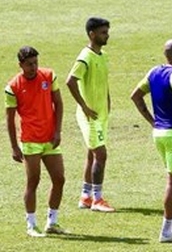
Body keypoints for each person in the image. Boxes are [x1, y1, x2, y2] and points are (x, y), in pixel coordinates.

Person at [130, 40, 172, 243]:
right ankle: (166, 230)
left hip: (159, 133)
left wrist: (152, 120)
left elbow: (136, 96)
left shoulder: (154, 72)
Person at [5, 46, 68, 237]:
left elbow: (58, 103)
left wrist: (57, 131)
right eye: (29, 64)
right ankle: (31, 225)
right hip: (30, 140)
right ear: (20, 65)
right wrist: (15, 147)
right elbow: (9, 119)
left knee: (59, 179)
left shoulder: (48, 76)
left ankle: (52, 222)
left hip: (49, 138)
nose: (34, 67)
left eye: (35, 63)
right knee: (33, 181)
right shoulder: (13, 87)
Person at [66, 16, 115, 212]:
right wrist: (84, 107)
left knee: (91, 155)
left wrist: (108, 100)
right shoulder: (85, 57)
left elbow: (103, 80)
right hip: (90, 116)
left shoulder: (102, 55)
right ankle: (97, 199)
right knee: (101, 155)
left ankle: (85, 196)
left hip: (101, 113)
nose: (107, 36)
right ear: (92, 34)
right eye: (103, 32)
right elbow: (70, 81)